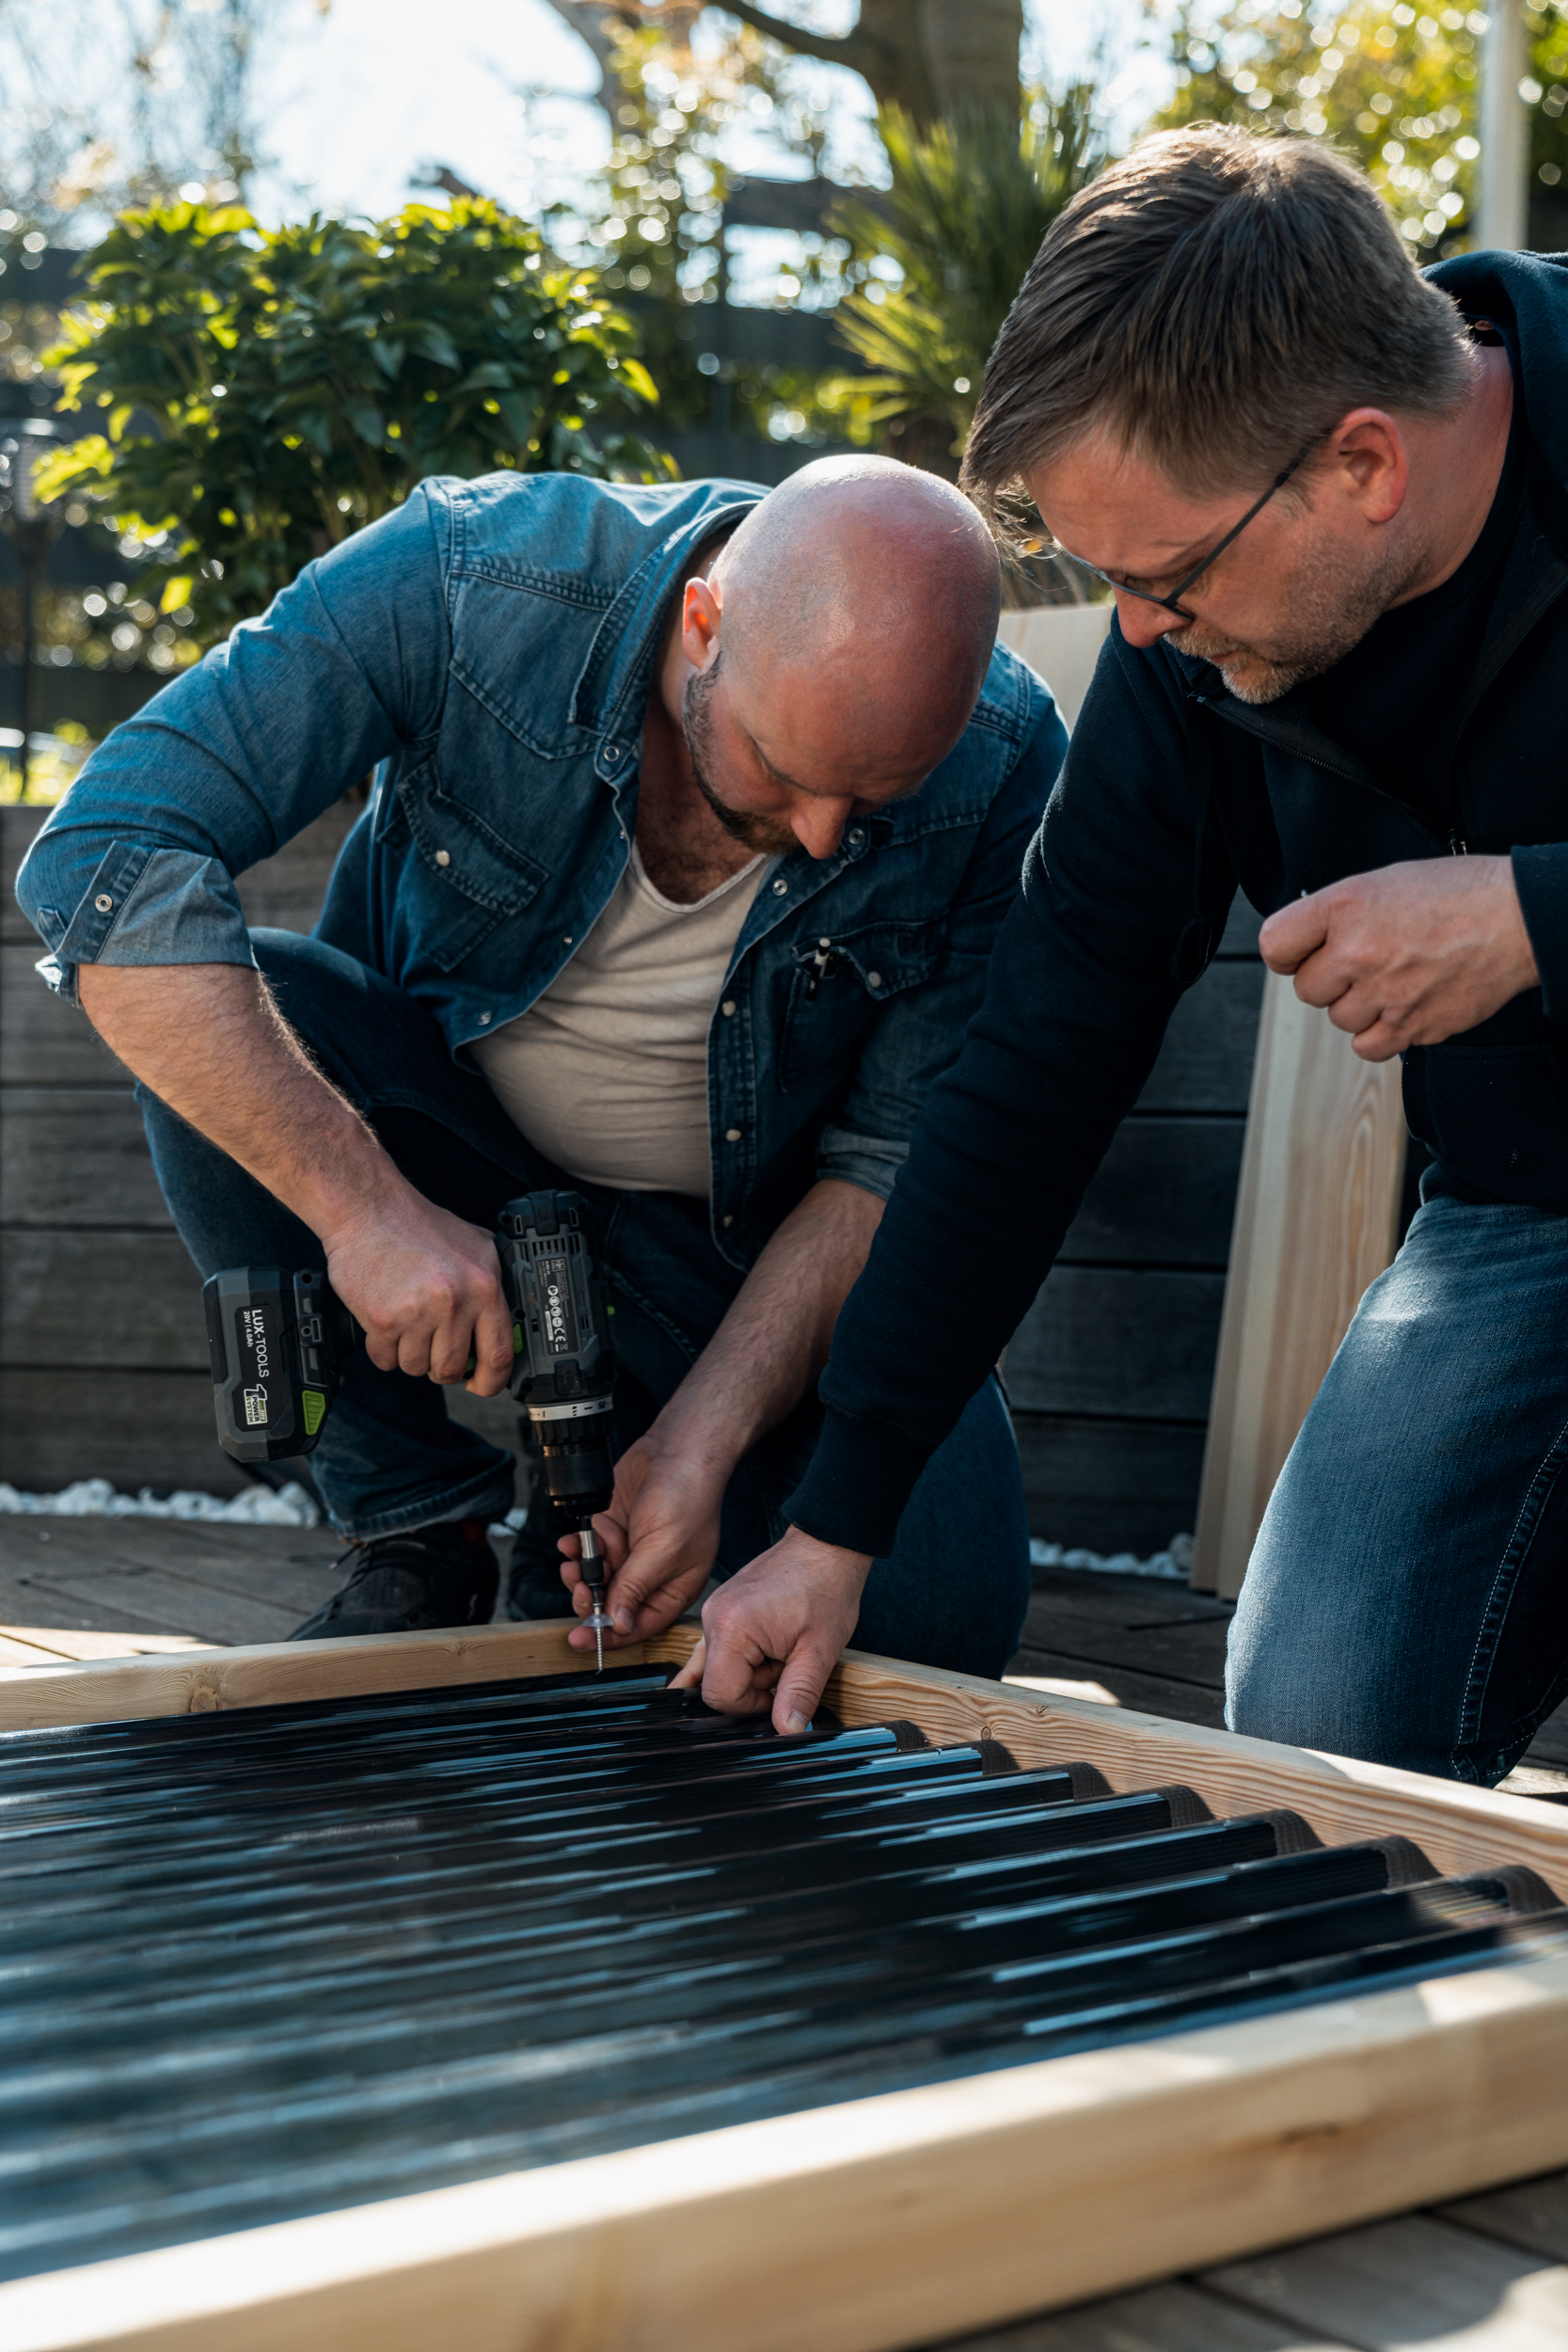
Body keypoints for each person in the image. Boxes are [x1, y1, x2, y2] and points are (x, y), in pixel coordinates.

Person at [683, 126, 1568, 1780]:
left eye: (1159, 576)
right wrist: (835, 1520)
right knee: (1315, 1740)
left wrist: (1537, 914)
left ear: (1363, 464)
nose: (1139, 631)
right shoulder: (1193, 663)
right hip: (1534, 1215)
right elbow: (1037, 1055)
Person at [15, 455, 1065, 1674]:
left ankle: (598, 1497)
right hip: (451, 1157)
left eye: (871, 800)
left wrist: (702, 1441)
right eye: (786, 770)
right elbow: (103, 853)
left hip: (740, 1253)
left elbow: (889, 1163)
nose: (829, 834)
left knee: (936, 1620)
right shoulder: (475, 579)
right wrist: (365, 1215)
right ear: (704, 623)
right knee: (223, 999)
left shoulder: (1002, 753)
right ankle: (416, 1526)